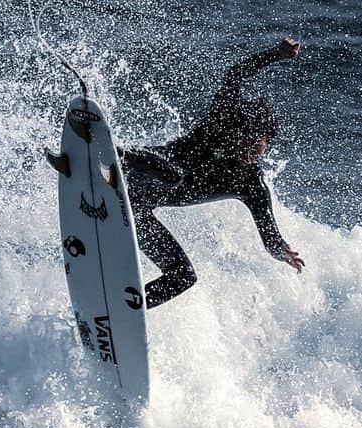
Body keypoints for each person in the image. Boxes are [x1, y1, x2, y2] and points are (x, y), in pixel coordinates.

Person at [121, 37, 306, 309]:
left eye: (258, 144)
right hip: (132, 172)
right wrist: (275, 55)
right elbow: (235, 75)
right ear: (238, 129)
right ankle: (109, 154)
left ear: (268, 141)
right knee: (174, 175)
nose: (250, 148)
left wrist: (282, 251)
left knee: (183, 276)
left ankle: (122, 308)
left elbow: (270, 236)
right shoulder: (219, 123)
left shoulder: (251, 185)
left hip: (136, 210)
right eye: (246, 138)